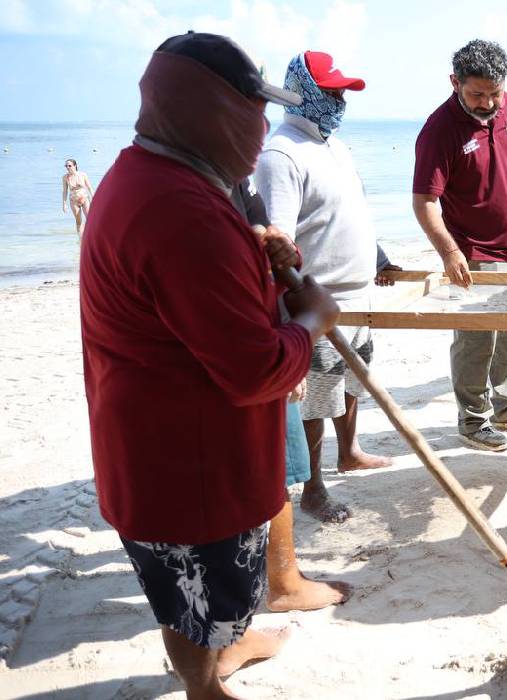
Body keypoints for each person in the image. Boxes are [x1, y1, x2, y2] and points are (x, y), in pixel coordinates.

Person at [79, 32, 340, 697]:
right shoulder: (180, 209)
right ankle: (205, 686)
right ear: (211, 113)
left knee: (220, 589)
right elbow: (256, 369)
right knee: (194, 594)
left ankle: (235, 641)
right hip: (184, 462)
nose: (261, 129)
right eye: (252, 111)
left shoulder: (159, 174)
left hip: (176, 441)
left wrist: (256, 246)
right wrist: (310, 323)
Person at [256, 50, 391, 524]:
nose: (338, 100)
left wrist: (379, 257)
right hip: (317, 300)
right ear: (301, 92)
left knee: (352, 383)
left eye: (341, 92)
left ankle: (348, 452)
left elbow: (349, 211)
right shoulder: (282, 153)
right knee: (316, 395)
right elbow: (278, 239)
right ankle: (313, 488)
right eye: (330, 91)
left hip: (358, 295)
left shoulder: (334, 144)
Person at [413, 39, 507, 452]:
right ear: (454, 82)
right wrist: (449, 251)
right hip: (472, 251)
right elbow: (424, 201)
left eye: (495, 93)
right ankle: (473, 419)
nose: (489, 102)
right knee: (477, 338)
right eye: (477, 94)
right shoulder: (439, 130)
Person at [231, 181, 353, 612]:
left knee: (275, 470)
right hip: (248, 351)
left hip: (267, 335)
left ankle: (282, 580)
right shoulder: (194, 190)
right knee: (258, 474)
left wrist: (279, 247)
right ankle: (280, 584)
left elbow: (262, 231)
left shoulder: (231, 181)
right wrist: (297, 338)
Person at [61, 158, 94, 235]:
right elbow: (65, 191)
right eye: (66, 166)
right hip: (74, 200)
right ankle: (80, 238)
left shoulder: (83, 175)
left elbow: (89, 187)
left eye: (69, 166)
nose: (67, 167)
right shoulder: (65, 177)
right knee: (78, 221)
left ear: (75, 165)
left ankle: (91, 235)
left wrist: (94, 198)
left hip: (84, 198)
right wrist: (64, 204)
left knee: (90, 218)